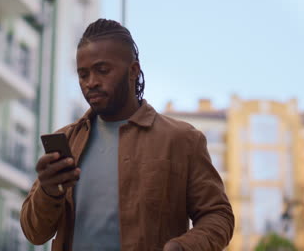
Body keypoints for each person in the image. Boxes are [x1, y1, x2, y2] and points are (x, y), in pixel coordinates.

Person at [20, 19, 234, 251]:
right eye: (83, 75)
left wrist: (183, 247)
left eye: (103, 71)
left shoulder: (182, 140)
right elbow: (34, 232)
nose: (91, 83)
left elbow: (218, 216)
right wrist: (48, 190)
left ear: (133, 71)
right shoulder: (68, 141)